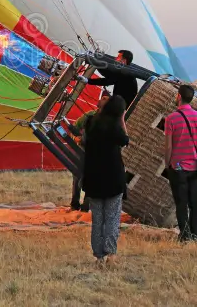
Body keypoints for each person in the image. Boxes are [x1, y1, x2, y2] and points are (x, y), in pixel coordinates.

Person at [82, 95, 130, 266]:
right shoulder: (114, 126)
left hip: (93, 176)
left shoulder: (91, 122)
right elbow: (125, 141)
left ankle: (98, 255)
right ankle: (110, 253)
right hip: (112, 176)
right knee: (112, 217)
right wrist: (122, 120)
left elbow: (84, 142)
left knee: (97, 218)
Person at [164, 84, 197, 242]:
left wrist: (167, 163)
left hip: (178, 167)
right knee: (194, 201)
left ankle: (185, 235)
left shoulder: (171, 119)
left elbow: (169, 146)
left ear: (179, 96)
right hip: (195, 167)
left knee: (181, 203)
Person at [69, 92, 110, 211]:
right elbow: (74, 127)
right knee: (77, 176)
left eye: (104, 98)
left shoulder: (110, 121)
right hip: (82, 150)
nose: (100, 99)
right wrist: (75, 138)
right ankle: (74, 204)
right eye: (101, 97)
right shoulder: (89, 115)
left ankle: (86, 207)